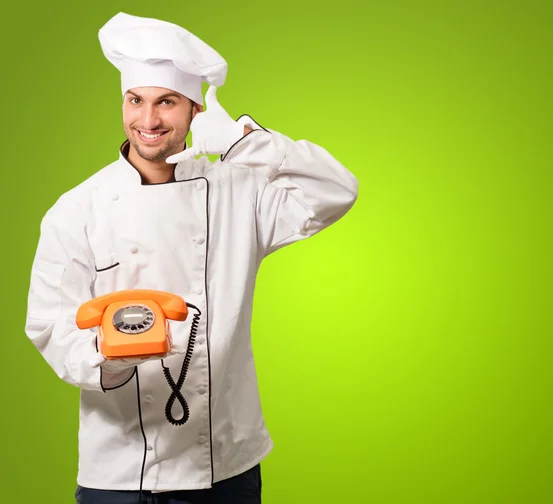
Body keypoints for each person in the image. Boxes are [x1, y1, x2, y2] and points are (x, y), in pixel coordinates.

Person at [24, 11, 358, 504]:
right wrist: (111, 362)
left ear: (196, 113)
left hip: (226, 462)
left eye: (167, 102)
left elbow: (336, 191)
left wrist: (248, 142)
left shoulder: (239, 190)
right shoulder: (77, 210)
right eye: (136, 100)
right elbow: (49, 325)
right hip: (119, 471)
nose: (149, 120)